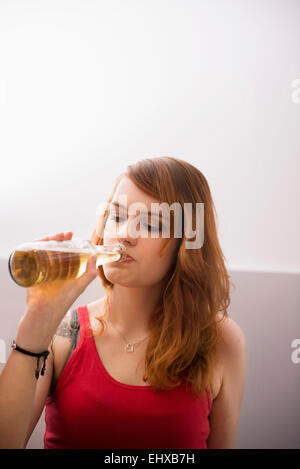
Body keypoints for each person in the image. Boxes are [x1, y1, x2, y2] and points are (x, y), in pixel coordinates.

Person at [0, 156, 246, 449]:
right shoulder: (63, 335)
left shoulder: (220, 341)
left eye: (151, 224)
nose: (124, 234)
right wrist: (35, 324)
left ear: (186, 244)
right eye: (116, 217)